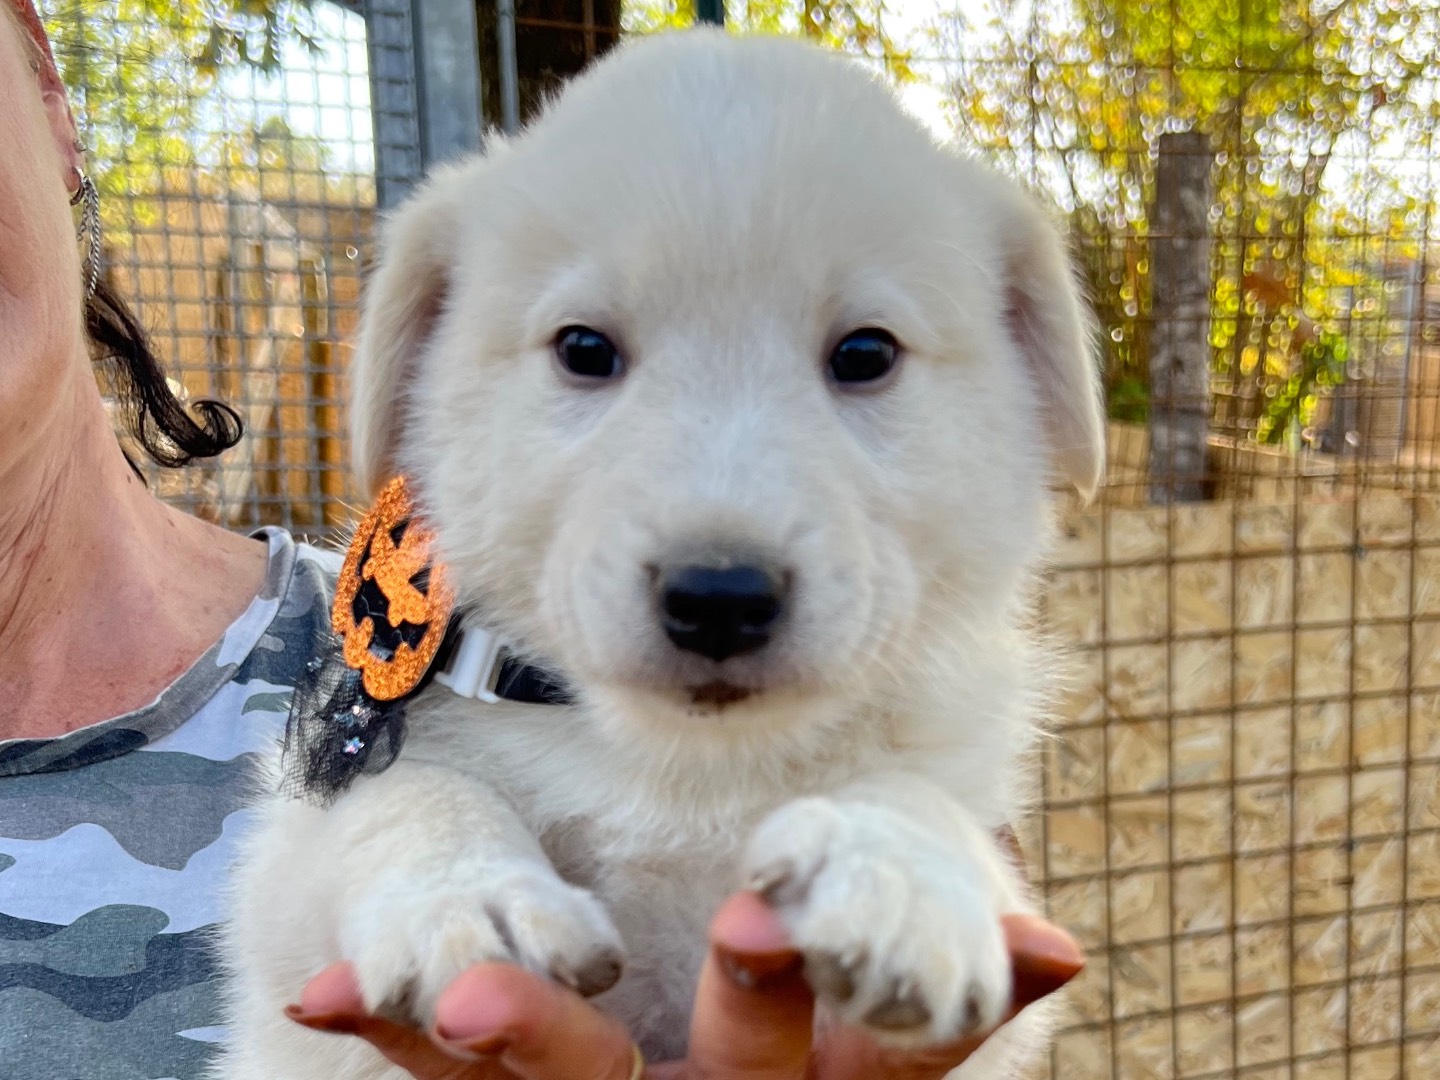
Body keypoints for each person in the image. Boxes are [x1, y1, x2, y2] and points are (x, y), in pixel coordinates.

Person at [0, 3, 1082, 1077]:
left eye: (863, 356)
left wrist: (918, 841)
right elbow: (306, 891)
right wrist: (422, 845)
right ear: (420, 361)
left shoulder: (364, 648)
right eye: (586, 351)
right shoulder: (416, 684)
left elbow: (977, 1019)